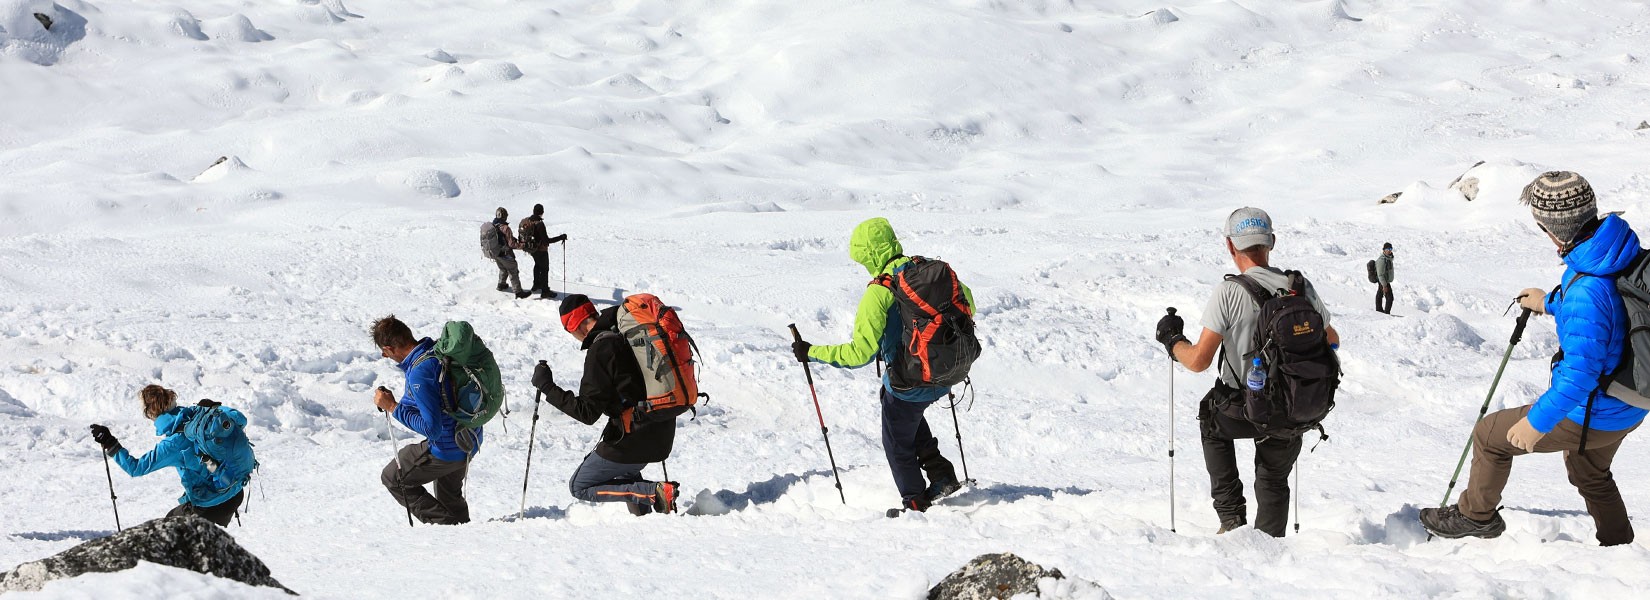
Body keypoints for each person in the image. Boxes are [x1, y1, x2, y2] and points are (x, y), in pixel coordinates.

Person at [1420, 171, 1646, 546]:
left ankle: (1477, 516)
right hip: (1630, 403)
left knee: (1490, 435)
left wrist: (1537, 423)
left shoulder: (1586, 288)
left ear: (1549, 228)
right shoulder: (1616, 249)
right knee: (1589, 472)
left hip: (1594, 410)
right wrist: (1548, 301)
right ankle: (1618, 547)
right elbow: (1611, 308)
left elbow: (1580, 373)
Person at [1154, 207, 1340, 537]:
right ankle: (1269, 545)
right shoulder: (1299, 287)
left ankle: (1231, 520)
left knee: (1210, 419)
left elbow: (1198, 361)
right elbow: (1332, 340)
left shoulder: (1229, 292)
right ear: (1271, 242)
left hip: (1240, 407)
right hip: (1290, 407)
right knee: (1272, 476)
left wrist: (1173, 340)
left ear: (1230, 246)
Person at [790, 217, 971, 512]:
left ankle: (915, 501)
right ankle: (941, 473)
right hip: (948, 373)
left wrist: (811, 352)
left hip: (909, 384)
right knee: (899, 411)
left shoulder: (879, 292)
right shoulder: (930, 271)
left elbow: (858, 354)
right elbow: (968, 307)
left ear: (869, 254)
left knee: (897, 441)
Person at [530, 294, 679, 515]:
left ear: (576, 327)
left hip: (634, 438)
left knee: (580, 485)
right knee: (622, 475)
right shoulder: (627, 333)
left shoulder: (602, 349)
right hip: (662, 430)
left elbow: (587, 413)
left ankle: (653, 492)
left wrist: (547, 387)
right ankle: (646, 519)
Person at [88, 385, 253, 527]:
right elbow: (241, 420)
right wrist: (214, 409)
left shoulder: (172, 445)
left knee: (165, 532)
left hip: (211, 505)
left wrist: (110, 443)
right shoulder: (199, 414)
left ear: (150, 414)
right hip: (236, 492)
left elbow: (136, 468)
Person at [372, 315, 480, 524]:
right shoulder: (436, 353)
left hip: (447, 447)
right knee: (450, 498)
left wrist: (392, 407)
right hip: (469, 438)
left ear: (390, 348)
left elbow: (432, 429)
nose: (385, 357)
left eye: (384, 352)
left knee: (393, 477)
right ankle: (464, 539)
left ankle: (444, 527)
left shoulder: (420, 372)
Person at [519, 204, 568, 300]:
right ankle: (545, 291)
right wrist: (561, 237)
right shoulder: (539, 224)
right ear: (542, 212)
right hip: (541, 250)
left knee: (537, 265)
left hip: (531, 249)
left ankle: (536, 285)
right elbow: (546, 241)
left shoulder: (527, 221)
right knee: (545, 269)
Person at [486, 207, 530, 299]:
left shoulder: (493, 225)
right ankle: (518, 292)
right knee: (513, 271)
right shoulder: (506, 228)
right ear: (504, 216)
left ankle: (501, 285)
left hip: (496, 253)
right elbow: (512, 244)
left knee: (503, 268)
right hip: (505, 253)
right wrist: (523, 245)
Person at [1375, 242, 1395, 314]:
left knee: (1380, 295)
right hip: (1383, 281)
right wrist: (1384, 285)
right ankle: (1386, 313)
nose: (1389, 250)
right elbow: (1380, 274)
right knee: (1390, 298)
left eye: (1390, 249)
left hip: (1385, 281)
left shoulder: (1388, 258)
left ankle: (1379, 310)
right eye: (1387, 249)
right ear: (1384, 250)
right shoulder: (1382, 260)